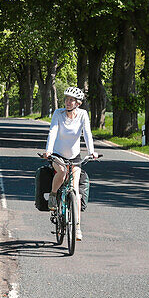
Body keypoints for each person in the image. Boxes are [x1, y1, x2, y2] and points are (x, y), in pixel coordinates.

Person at [39, 86, 98, 240]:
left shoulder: (83, 115)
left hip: (75, 157)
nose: (68, 102)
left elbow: (87, 133)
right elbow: (53, 131)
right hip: (58, 155)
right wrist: (48, 151)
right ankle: (53, 195)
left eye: (71, 100)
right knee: (62, 172)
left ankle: (77, 227)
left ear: (78, 103)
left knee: (75, 190)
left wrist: (92, 151)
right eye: (66, 99)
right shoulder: (58, 113)